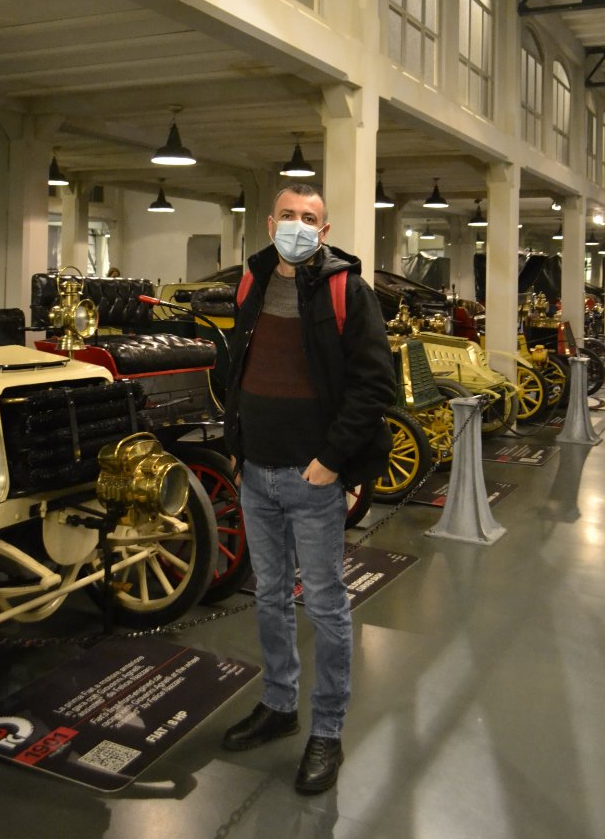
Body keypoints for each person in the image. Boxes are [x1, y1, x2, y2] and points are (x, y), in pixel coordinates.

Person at [221, 183, 395, 794]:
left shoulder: (347, 290)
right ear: (271, 223)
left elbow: (375, 386)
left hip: (312, 478)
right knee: (269, 596)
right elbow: (238, 365)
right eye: (288, 215)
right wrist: (237, 444)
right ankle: (278, 704)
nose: (298, 225)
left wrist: (330, 460)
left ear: (324, 231)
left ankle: (327, 730)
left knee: (324, 604)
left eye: (309, 218)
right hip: (256, 472)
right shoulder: (253, 280)